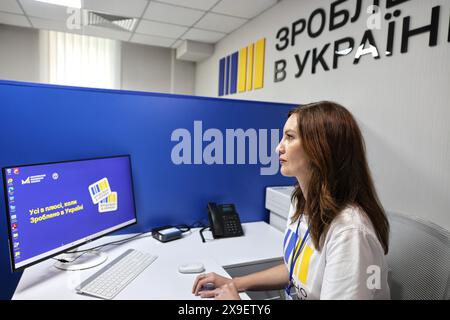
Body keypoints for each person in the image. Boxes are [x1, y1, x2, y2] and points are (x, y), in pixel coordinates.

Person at [192, 101, 391, 300]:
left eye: (289, 137)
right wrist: (234, 283)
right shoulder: (301, 202)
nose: (279, 147)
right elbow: (295, 271)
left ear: (320, 149)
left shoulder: (349, 233)